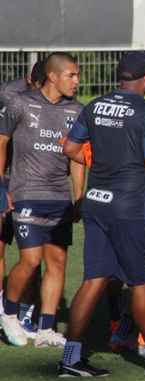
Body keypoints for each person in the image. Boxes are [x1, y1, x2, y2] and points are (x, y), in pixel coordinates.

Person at [58, 51, 145, 376]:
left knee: (94, 280)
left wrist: (100, 162)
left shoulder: (94, 105)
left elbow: (70, 148)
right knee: (141, 283)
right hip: (129, 208)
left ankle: (70, 359)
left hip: (96, 202)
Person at [0, 52, 85, 348]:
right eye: (71, 75)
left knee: (58, 262)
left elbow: (77, 158)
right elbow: (1, 142)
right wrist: (1, 187)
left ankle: (46, 328)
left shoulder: (77, 111)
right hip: (25, 192)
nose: (77, 81)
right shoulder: (20, 103)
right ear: (52, 76)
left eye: (77, 75)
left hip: (59, 196)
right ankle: (9, 313)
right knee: (31, 260)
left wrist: (79, 196)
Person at [0, 59, 46, 337]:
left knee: (34, 255)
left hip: (33, 186)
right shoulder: (10, 98)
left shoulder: (62, 102)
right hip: (8, 181)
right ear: (34, 81)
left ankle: (26, 312)